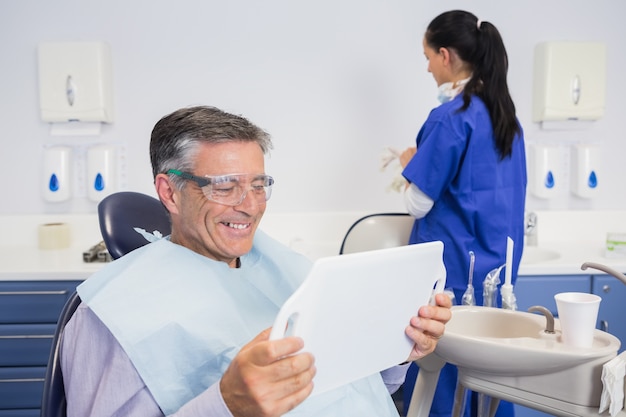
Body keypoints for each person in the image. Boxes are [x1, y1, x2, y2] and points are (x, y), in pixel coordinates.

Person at [61, 105, 452, 417]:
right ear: (171, 192)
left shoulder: (290, 272)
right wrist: (226, 406)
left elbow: (358, 391)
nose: (249, 206)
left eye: (258, 185)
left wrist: (397, 346)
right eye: (225, 186)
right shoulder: (115, 316)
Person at [398, 10, 527, 417]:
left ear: (446, 55)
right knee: (490, 384)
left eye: (428, 57)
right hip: (497, 280)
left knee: (441, 381)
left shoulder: (450, 119)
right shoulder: (507, 120)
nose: (428, 67)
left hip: (451, 280)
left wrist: (409, 163)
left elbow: (418, 202)